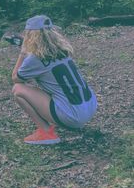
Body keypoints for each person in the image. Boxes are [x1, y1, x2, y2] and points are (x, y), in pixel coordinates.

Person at [11, 15, 97, 145]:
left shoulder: (34, 59)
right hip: (89, 107)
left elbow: (16, 78)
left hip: (72, 115)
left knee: (18, 90)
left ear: (30, 36)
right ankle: (68, 119)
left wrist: (23, 53)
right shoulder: (62, 50)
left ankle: (46, 133)